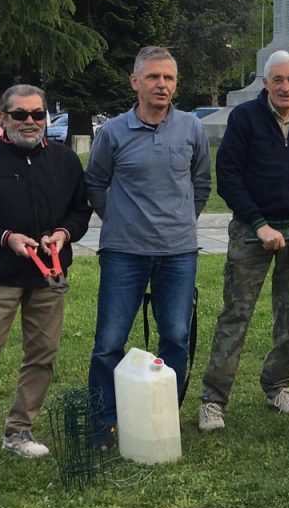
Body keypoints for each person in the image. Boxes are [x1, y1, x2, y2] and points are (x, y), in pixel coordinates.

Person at [0, 85, 92, 476]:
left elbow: (81, 210)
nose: (30, 122)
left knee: (42, 356)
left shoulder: (64, 160)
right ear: (3, 118)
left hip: (48, 276)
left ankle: (19, 432)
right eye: (20, 115)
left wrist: (64, 233)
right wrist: (4, 238)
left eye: (37, 114)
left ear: (46, 116)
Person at [197, 51, 289, 432]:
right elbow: (228, 176)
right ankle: (212, 400)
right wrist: (258, 225)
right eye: (278, 80)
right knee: (236, 314)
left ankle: (278, 386)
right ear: (265, 83)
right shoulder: (245, 119)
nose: (285, 87)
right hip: (251, 231)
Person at [85, 47, 211, 442]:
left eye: (169, 78)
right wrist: (119, 221)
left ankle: (161, 419)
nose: (162, 85)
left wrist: (181, 222)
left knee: (175, 336)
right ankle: (105, 421)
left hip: (178, 253)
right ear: (135, 82)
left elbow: (202, 182)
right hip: (124, 252)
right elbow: (95, 182)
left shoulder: (191, 127)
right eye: (154, 77)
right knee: (110, 340)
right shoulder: (113, 132)